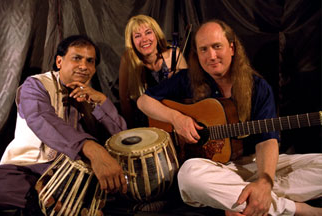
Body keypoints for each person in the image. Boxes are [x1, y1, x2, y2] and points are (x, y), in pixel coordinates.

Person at [137, 20, 322, 216]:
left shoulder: (257, 87)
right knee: (189, 175)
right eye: (203, 50)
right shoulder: (186, 79)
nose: (212, 56)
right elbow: (143, 102)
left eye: (217, 47)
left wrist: (265, 181)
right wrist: (177, 119)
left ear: (232, 48)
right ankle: (298, 209)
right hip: (213, 168)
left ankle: (235, 196)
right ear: (197, 55)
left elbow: (267, 140)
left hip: (253, 163)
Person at [0, 35, 127, 214]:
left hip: (70, 176)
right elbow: (41, 118)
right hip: (26, 169)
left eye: (90, 61)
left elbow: (122, 139)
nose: (84, 66)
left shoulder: (89, 97)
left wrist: (102, 102)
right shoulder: (36, 85)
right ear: (59, 61)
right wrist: (91, 148)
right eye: (77, 58)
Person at [119, 14, 188, 128]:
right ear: (132, 41)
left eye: (148, 32)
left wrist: (176, 82)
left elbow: (189, 93)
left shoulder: (173, 55)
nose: (144, 39)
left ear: (156, 34)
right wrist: (131, 129)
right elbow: (124, 99)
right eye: (137, 36)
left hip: (173, 120)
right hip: (145, 124)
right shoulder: (128, 60)